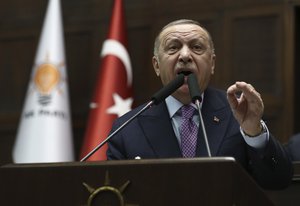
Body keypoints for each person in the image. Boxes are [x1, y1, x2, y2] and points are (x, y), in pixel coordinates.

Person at [106, 19, 293, 189]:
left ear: (212, 63)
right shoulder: (127, 128)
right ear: (156, 65)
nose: (185, 55)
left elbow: (279, 181)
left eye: (196, 47)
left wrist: (255, 133)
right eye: (173, 47)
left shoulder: (239, 112)